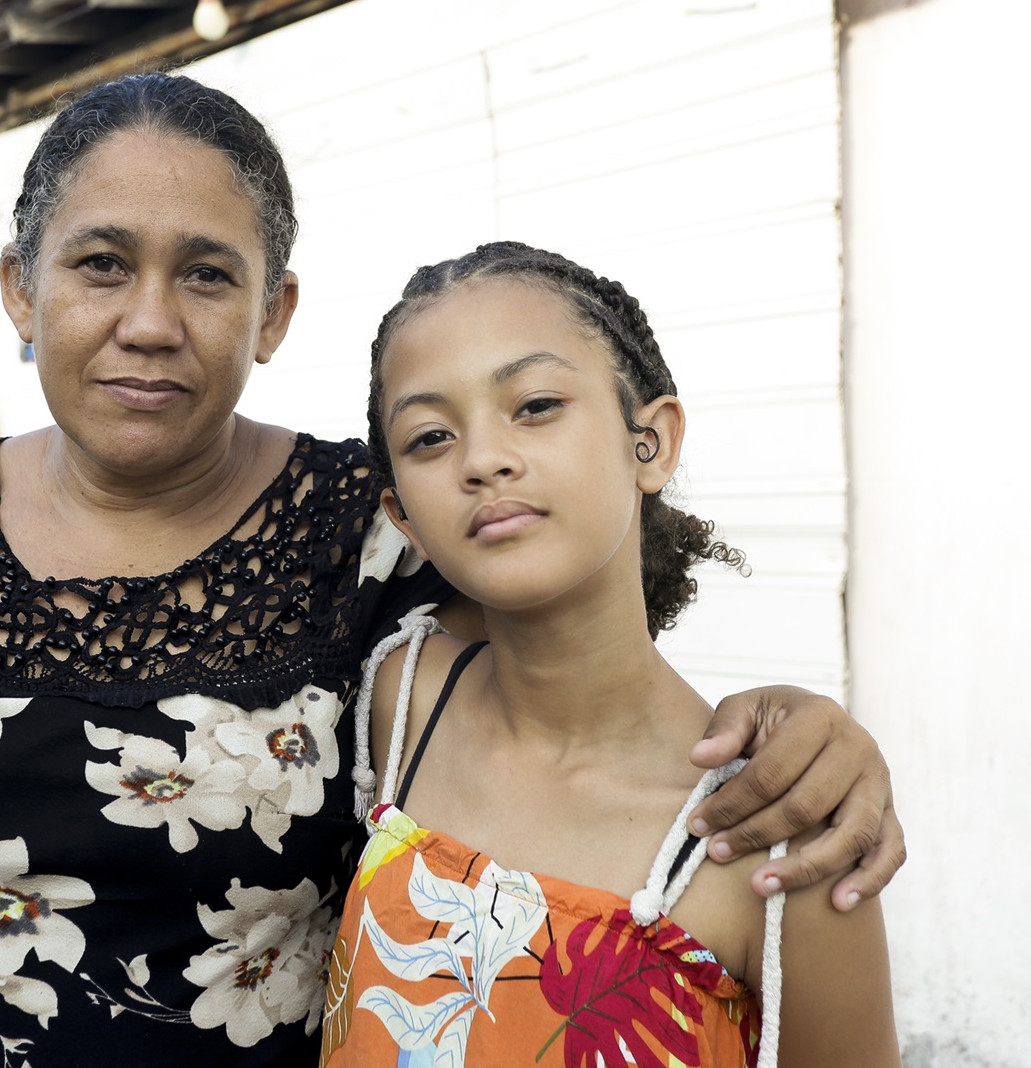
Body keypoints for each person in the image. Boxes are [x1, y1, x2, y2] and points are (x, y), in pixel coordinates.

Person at [0, 75, 902, 1068]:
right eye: (100, 264)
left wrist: (808, 731)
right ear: (21, 287)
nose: (151, 320)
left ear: (272, 312)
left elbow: (577, 659)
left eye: (209, 274)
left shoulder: (370, 526)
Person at [321, 242, 899, 1067]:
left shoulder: (776, 837)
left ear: (652, 442)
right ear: (403, 517)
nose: (484, 459)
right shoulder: (403, 698)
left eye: (536, 403)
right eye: (431, 436)